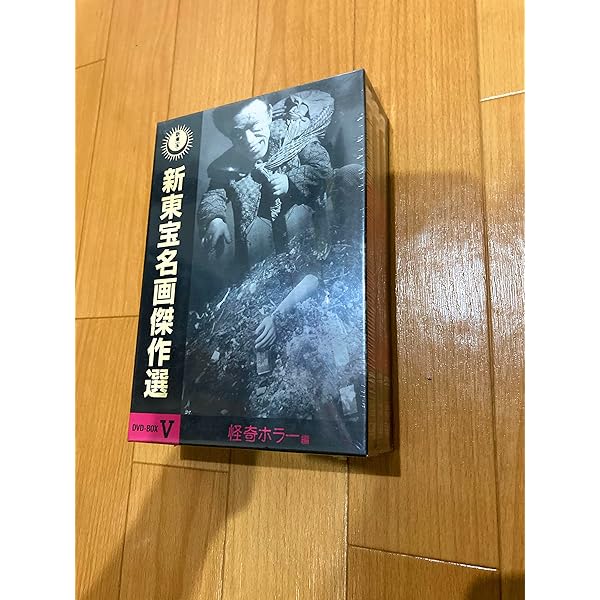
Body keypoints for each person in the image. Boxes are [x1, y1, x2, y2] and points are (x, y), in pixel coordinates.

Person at [197, 91, 335, 350]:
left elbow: (323, 169)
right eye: (237, 135)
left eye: (254, 127)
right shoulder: (229, 164)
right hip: (261, 244)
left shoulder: (296, 135)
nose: (248, 141)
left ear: (269, 115)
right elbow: (214, 192)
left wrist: (290, 181)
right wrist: (215, 218)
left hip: (303, 232)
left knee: (307, 272)